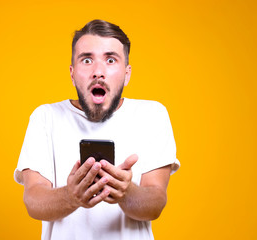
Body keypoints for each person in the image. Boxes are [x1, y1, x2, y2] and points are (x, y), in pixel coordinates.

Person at [14, 19, 180, 240]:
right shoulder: (45, 117)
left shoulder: (152, 115)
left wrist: (126, 191)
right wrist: (71, 196)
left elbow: (155, 204)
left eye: (111, 60)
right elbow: (33, 201)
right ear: (72, 73)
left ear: (127, 74)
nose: (98, 71)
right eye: (87, 60)